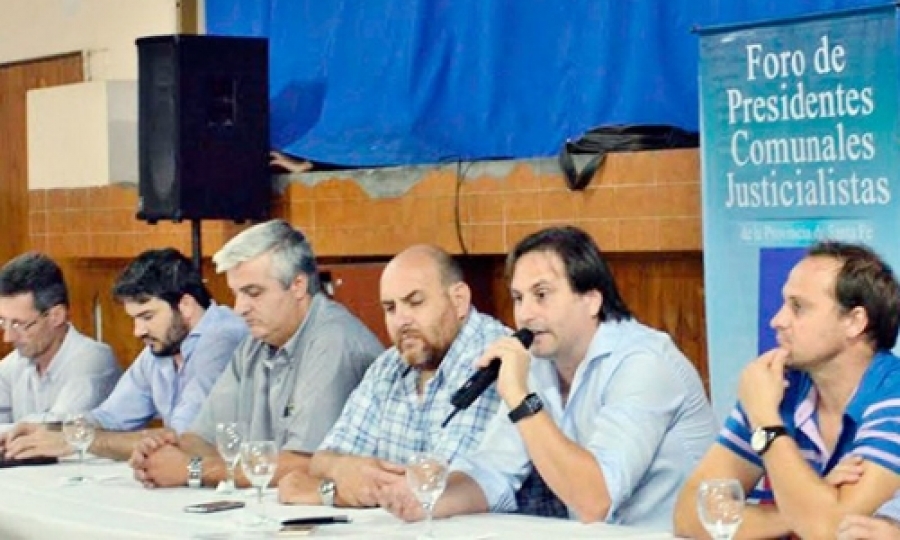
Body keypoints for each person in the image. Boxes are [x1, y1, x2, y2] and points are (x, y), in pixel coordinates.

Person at [377, 226, 717, 529]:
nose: (525, 314)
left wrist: (520, 399)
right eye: (518, 298)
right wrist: (426, 500)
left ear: (591, 300)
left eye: (541, 295)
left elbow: (595, 501)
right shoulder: (539, 363)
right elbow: (494, 472)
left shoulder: (644, 363)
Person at [129, 219, 383, 489]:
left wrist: (192, 469)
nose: (239, 308)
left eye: (253, 293)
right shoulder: (256, 343)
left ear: (298, 285)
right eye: (236, 294)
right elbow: (205, 438)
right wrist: (165, 450)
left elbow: (308, 464)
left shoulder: (334, 341)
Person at [673, 241, 900, 540]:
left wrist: (767, 422)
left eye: (798, 307)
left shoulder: (892, 394)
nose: (777, 321)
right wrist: (802, 511)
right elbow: (691, 513)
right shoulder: (778, 385)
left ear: (854, 322)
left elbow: (830, 532)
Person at [278, 244, 509, 507]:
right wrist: (345, 468)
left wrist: (330, 492)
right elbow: (323, 460)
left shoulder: (495, 358)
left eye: (415, 302)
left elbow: (433, 487)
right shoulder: (388, 366)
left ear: (459, 300)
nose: (401, 320)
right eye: (390, 308)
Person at [2, 248, 247, 461]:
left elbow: (183, 441)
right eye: (135, 319)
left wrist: (77, 440)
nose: (138, 331)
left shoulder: (222, 338)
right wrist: (44, 429)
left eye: (147, 317)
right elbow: (110, 417)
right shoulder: (164, 344)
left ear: (186, 306)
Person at [0, 252, 119, 424]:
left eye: (19, 324)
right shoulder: (12, 365)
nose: (8, 337)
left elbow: (56, 431)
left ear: (56, 316)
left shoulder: (94, 360)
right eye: (3, 322)